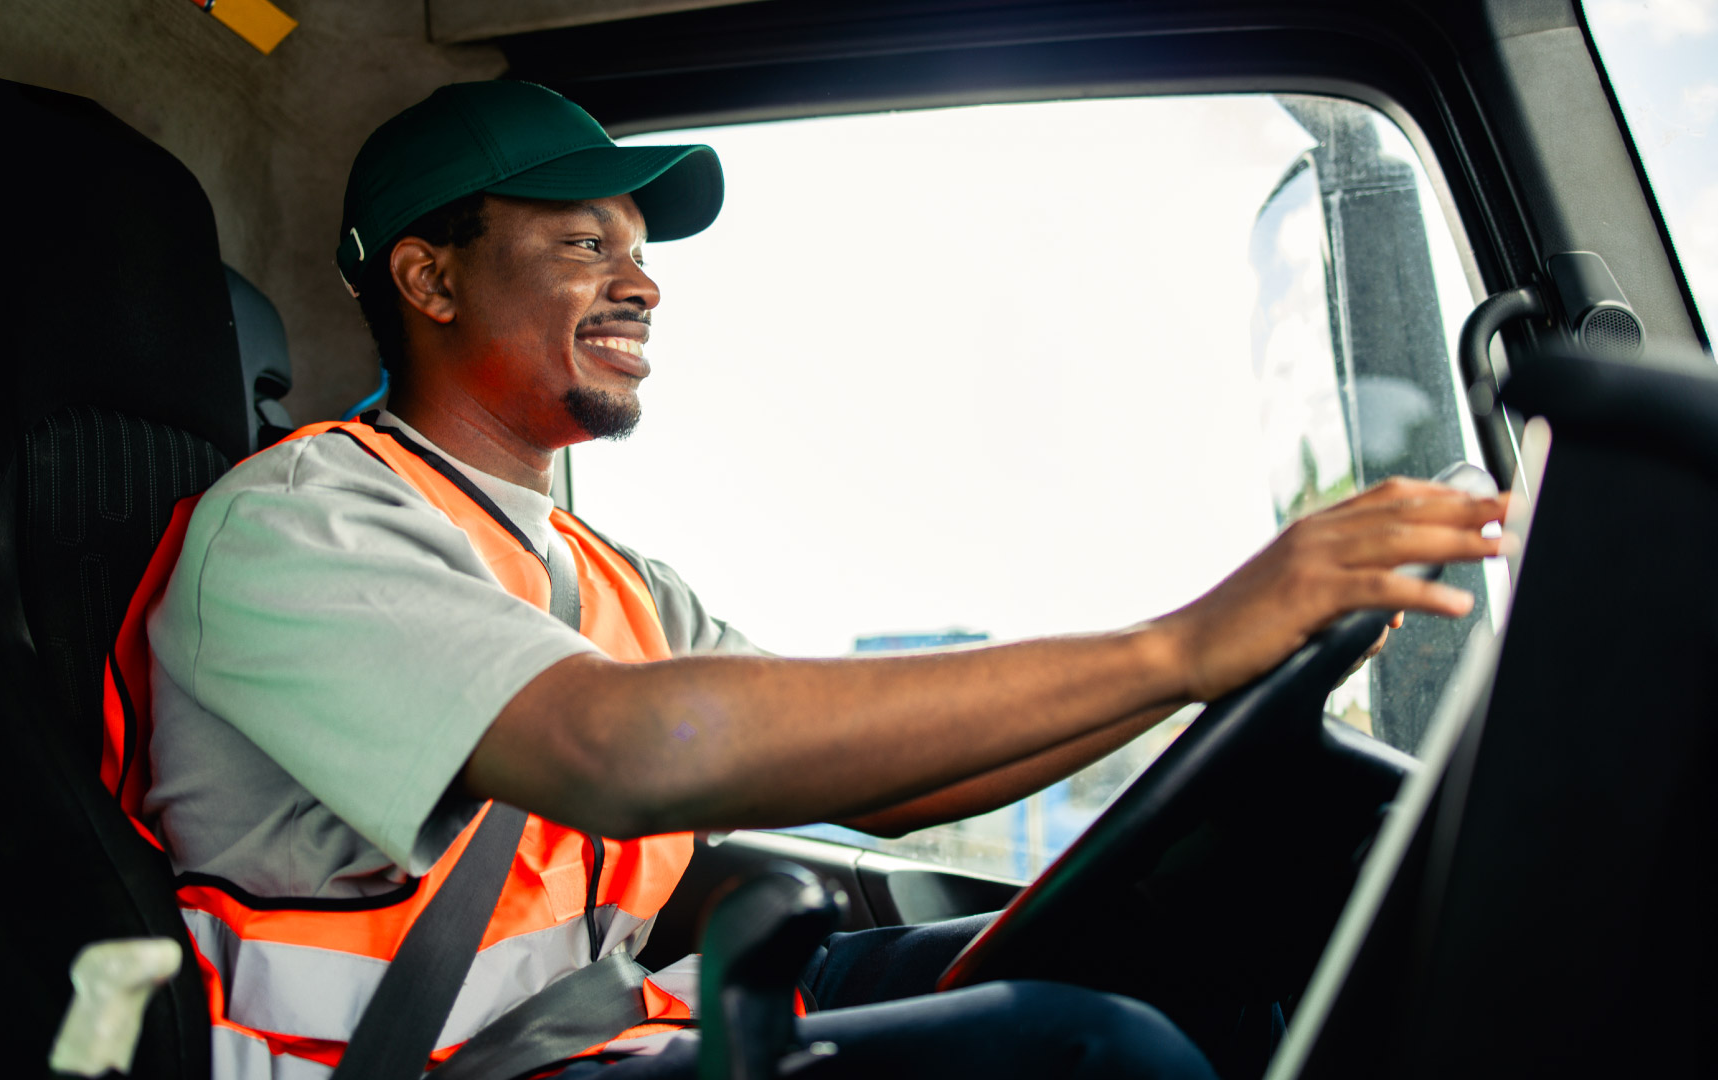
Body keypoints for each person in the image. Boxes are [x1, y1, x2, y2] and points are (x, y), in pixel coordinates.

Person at [122, 80, 1505, 1080]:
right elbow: (619, 752)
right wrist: (1179, 647)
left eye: (641, 252)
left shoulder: (614, 577)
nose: (642, 285)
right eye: (585, 243)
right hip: (437, 1071)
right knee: (1088, 1055)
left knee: (1195, 958)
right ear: (427, 277)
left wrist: (1222, 666)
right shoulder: (298, 522)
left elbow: (871, 777)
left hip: (608, 1026)